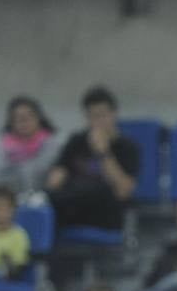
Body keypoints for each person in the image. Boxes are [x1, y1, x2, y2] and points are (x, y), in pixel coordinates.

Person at [45, 86, 139, 231]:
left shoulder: (127, 147)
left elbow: (124, 191)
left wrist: (103, 153)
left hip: (105, 209)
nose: (97, 122)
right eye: (91, 117)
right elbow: (54, 181)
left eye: (101, 116)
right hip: (74, 204)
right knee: (50, 199)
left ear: (113, 114)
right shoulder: (76, 141)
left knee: (102, 192)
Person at [0, 96, 64, 212]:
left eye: (28, 116)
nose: (24, 121)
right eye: (18, 117)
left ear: (39, 118)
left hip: (37, 210)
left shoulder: (55, 147)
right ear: (10, 121)